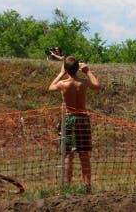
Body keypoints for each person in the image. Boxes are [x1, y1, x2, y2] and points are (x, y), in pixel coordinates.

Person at [48, 56, 102, 191]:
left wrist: (61, 73)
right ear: (78, 68)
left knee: (68, 155)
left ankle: (67, 186)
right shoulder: (83, 83)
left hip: (68, 119)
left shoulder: (63, 84)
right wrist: (88, 71)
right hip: (82, 119)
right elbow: (97, 86)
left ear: (66, 69)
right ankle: (87, 185)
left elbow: (50, 87)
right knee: (84, 154)